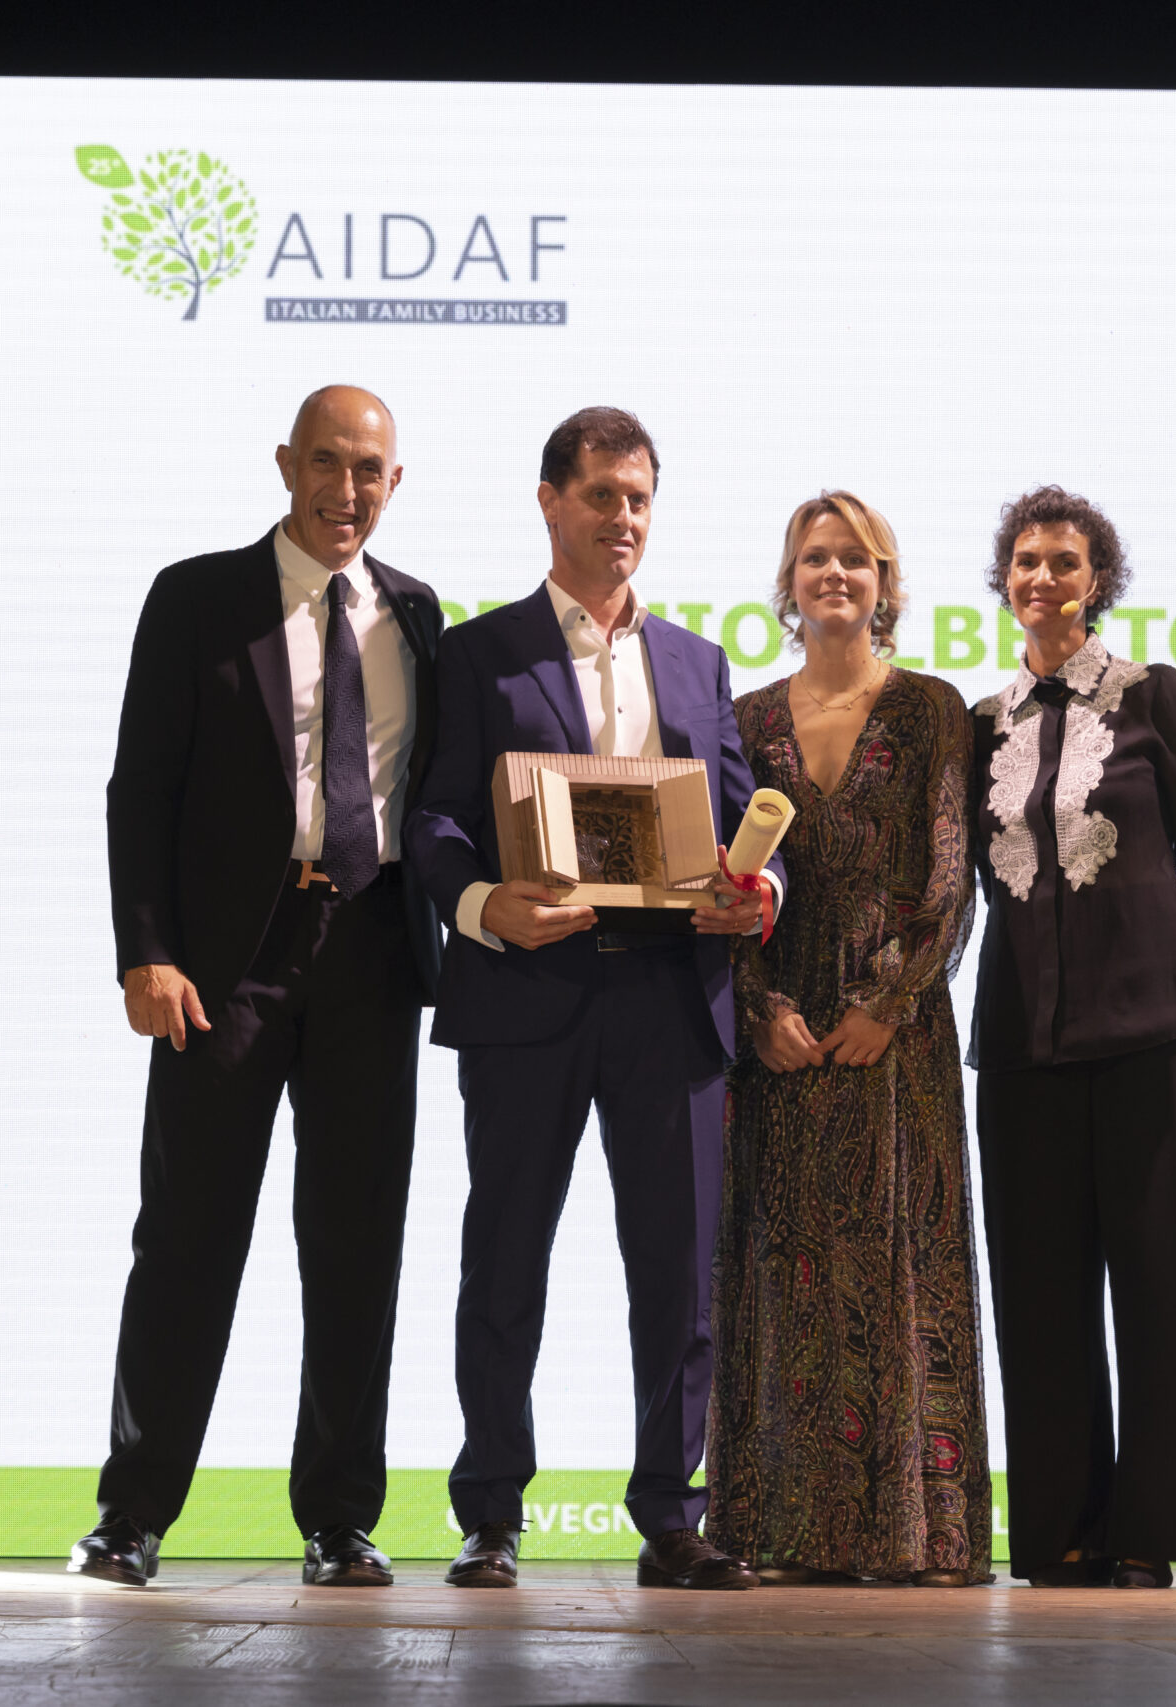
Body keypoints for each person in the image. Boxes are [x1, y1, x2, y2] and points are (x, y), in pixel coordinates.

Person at [404, 407, 784, 1592]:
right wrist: (483, 904)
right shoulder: (478, 651)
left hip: (671, 998)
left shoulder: (696, 661)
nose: (623, 518)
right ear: (549, 502)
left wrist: (757, 892)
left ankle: (672, 1515)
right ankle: (489, 1512)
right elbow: (434, 819)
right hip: (527, 989)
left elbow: (740, 822)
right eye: (602, 495)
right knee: (505, 1258)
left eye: (639, 499)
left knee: (677, 1275)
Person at [74, 385, 446, 1590]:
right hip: (222, 967)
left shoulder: (418, 614)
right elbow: (140, 788)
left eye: (369, 470)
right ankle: (131, 1516)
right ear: (287, 464)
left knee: (356, 1251)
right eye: (327, 463)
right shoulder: (196, 597)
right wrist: (144, 951)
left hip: (371, 950)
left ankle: (339, 1521)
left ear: (395, 483)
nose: (347, 490)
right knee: (186, 1239)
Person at [707, 491, 992, 1587]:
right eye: (816, 557)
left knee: (900, 1269)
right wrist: (758, 1008)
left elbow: (951, 875)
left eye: (856, 559)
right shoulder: (741, 721)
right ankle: (777, 1530)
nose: (835, 573)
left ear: (885, 584)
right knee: (781, 1273)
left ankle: (912, 1536)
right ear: (789, 583)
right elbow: (721, 883)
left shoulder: (931, 710)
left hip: (892, 1033)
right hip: (779, 1033)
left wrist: (893, 1000)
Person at [967, 486, 1176, 1590]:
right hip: (1020, 1042)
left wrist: (1155, 966)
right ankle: (1061, 1531)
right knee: (1039, 1293)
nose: (1043, 578)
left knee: (1161, 1287)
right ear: (1004, 580)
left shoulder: (1151, 694)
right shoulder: (980, 724)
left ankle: (1142, 1532)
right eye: (1025, 561)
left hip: (1153, 1035)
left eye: (1064, 562)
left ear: (1098, 581)